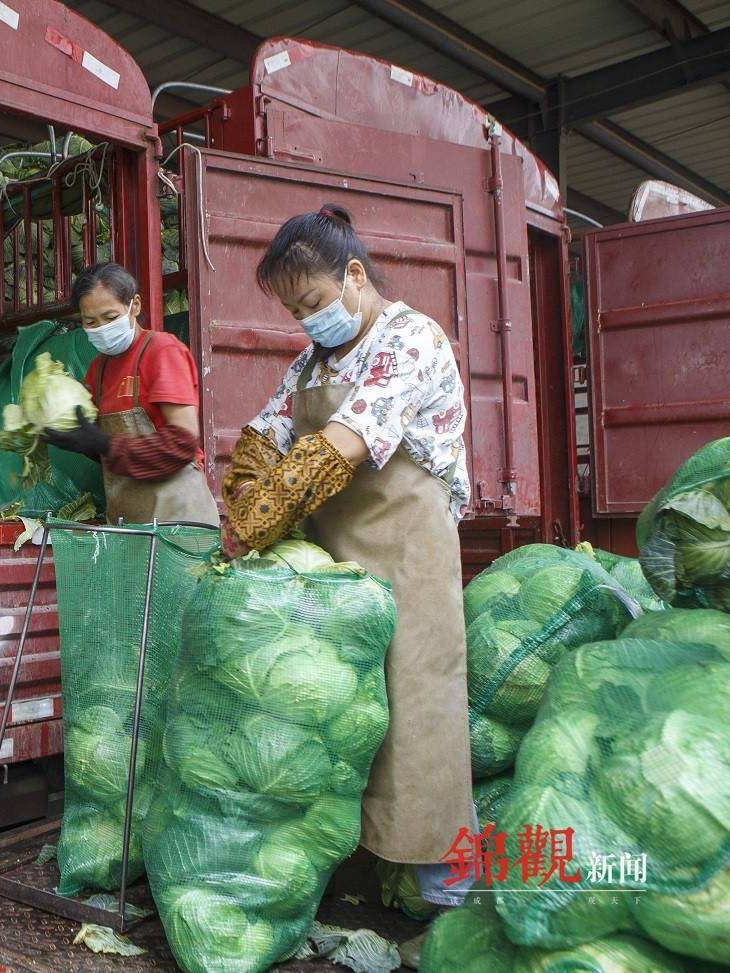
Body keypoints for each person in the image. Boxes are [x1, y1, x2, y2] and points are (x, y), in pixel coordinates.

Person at [220, 204, 475, 922]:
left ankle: (448, 899)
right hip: (332, 572)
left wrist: (266, 514)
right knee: (335, 717)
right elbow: (265, 434)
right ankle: (351, 883)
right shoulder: (312, 361)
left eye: (314, 302)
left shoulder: (410, 339)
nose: (308, 322)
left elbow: (346, 443)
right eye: (296, 312)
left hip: (408, 557)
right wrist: (243, 490)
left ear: (354, 276)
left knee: (417, 712)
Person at [42, 262, 220, 527]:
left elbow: (182, 442)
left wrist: (105, 445)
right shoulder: (98, 371)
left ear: (134, 306)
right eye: (90, 322)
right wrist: (80, 437)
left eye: (110, 317)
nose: (101, 327)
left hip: (179, 522)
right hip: (130, 524)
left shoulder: (162, 351)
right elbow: (110, 452)